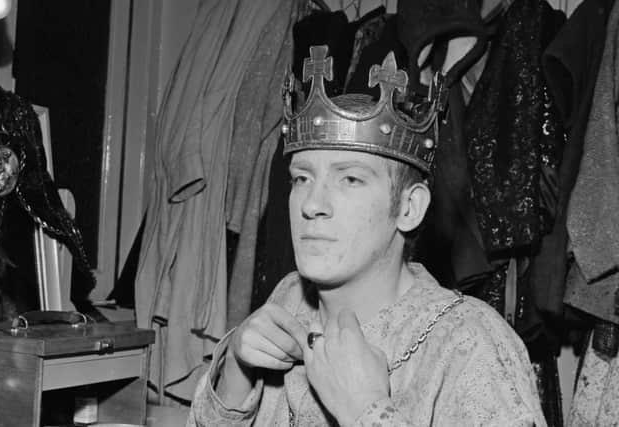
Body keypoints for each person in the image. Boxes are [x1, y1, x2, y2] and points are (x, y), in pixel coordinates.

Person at [187, 46, 546, 426]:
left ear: (409, 208)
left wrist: (367, 411)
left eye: (351, 179)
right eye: (301, 178)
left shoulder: (469, 344)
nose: (312, 204)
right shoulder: (289, 299)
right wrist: (236, 374)